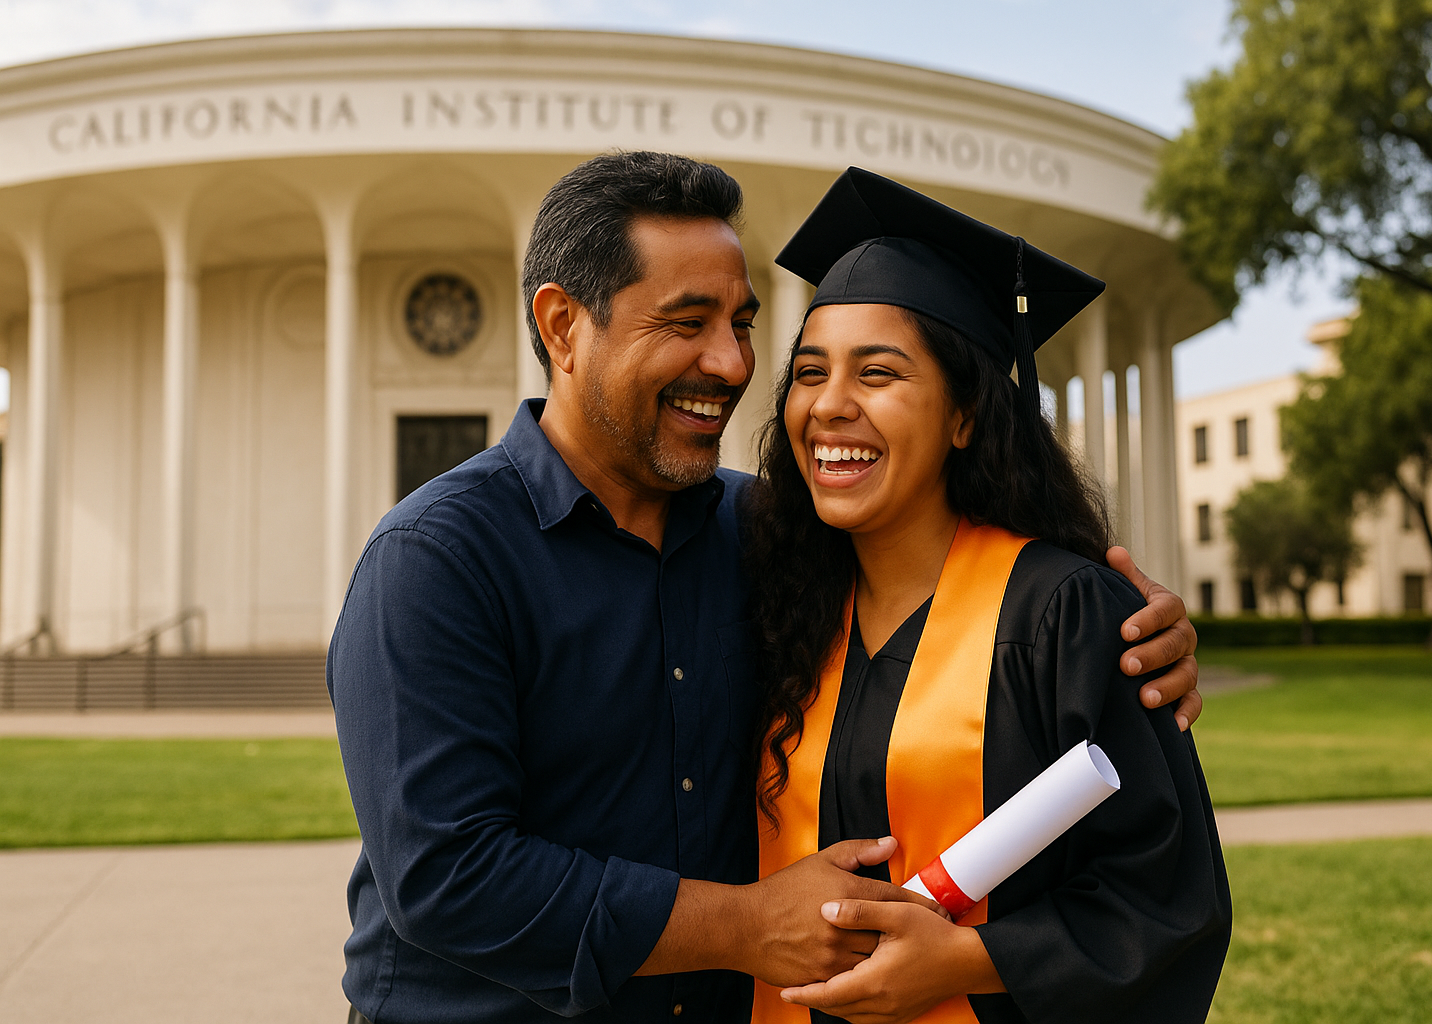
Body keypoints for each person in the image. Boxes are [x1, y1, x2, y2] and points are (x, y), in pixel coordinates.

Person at [328, 152, 1205, 1024]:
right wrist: (744, 925)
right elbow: (448, 876)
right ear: (562, 326)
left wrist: (1117, 626)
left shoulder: (767, 539)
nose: (730, 362)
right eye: (687, 320)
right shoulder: (437, 559)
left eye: (743, 324)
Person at [745, 168, 1231, 1024]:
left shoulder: (1063, 615)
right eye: (810, 373)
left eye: (879, 374)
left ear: (966, 413)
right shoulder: (775, 605)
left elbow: (1168, 900)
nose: (829, 406)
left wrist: (968, 960)